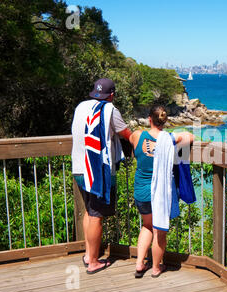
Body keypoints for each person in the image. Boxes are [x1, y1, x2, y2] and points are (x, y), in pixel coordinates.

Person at [71, 78, 132, 274]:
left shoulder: (81, 106)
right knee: (97, 215)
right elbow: (127, 134)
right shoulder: (109, 110)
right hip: (97, 171)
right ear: (112, 95)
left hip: (79, 167)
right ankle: (94, 262)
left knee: (89, 211)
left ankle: (89, 254)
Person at [130, 105, 194, 278]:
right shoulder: (170, 139)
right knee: (159, 231)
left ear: (149, 119)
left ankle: (139, 264)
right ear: (165, 121)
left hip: (141, 191)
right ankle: (156, 268)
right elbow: (190, 136)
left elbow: (131, 139)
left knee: (147, 226)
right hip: (159, 193)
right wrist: (175, 136)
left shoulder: (137, 136)